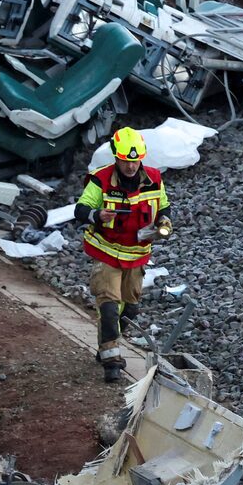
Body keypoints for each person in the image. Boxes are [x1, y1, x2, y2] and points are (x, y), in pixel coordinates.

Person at [75, 127, 170, 381]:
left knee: (130, 309)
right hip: (107, 253)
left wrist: (165, 222)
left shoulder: (153, 179)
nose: (131, 167)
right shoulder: (100, 180)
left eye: (135, 160)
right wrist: (97, 215)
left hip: (137, 255)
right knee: (108, 307)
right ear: (116, 157)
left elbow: (164, 207)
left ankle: (108, 344)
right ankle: (112, 362)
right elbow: (81, 209)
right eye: (126, 162)